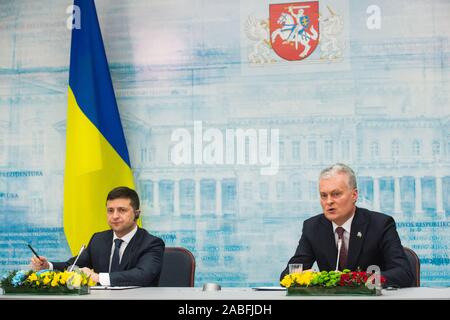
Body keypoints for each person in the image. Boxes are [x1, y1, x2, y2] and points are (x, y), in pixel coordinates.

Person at [280, 163, 414, 288]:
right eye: (323, 195)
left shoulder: (380, 224)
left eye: (336, 194)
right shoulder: (313, 227)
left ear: (354, 195)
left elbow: (403, 273)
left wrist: (363, 280)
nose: (329, 201)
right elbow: (288, 276)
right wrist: (314, 278)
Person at [31, 186, 165, 287]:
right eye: (110, 210)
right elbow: (73, 265)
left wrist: (98, 278)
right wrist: (47, 266)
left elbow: (143, 275)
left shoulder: (151, 243)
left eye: (122, 210)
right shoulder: (98, 239)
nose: (115, 216)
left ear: (137, 214)